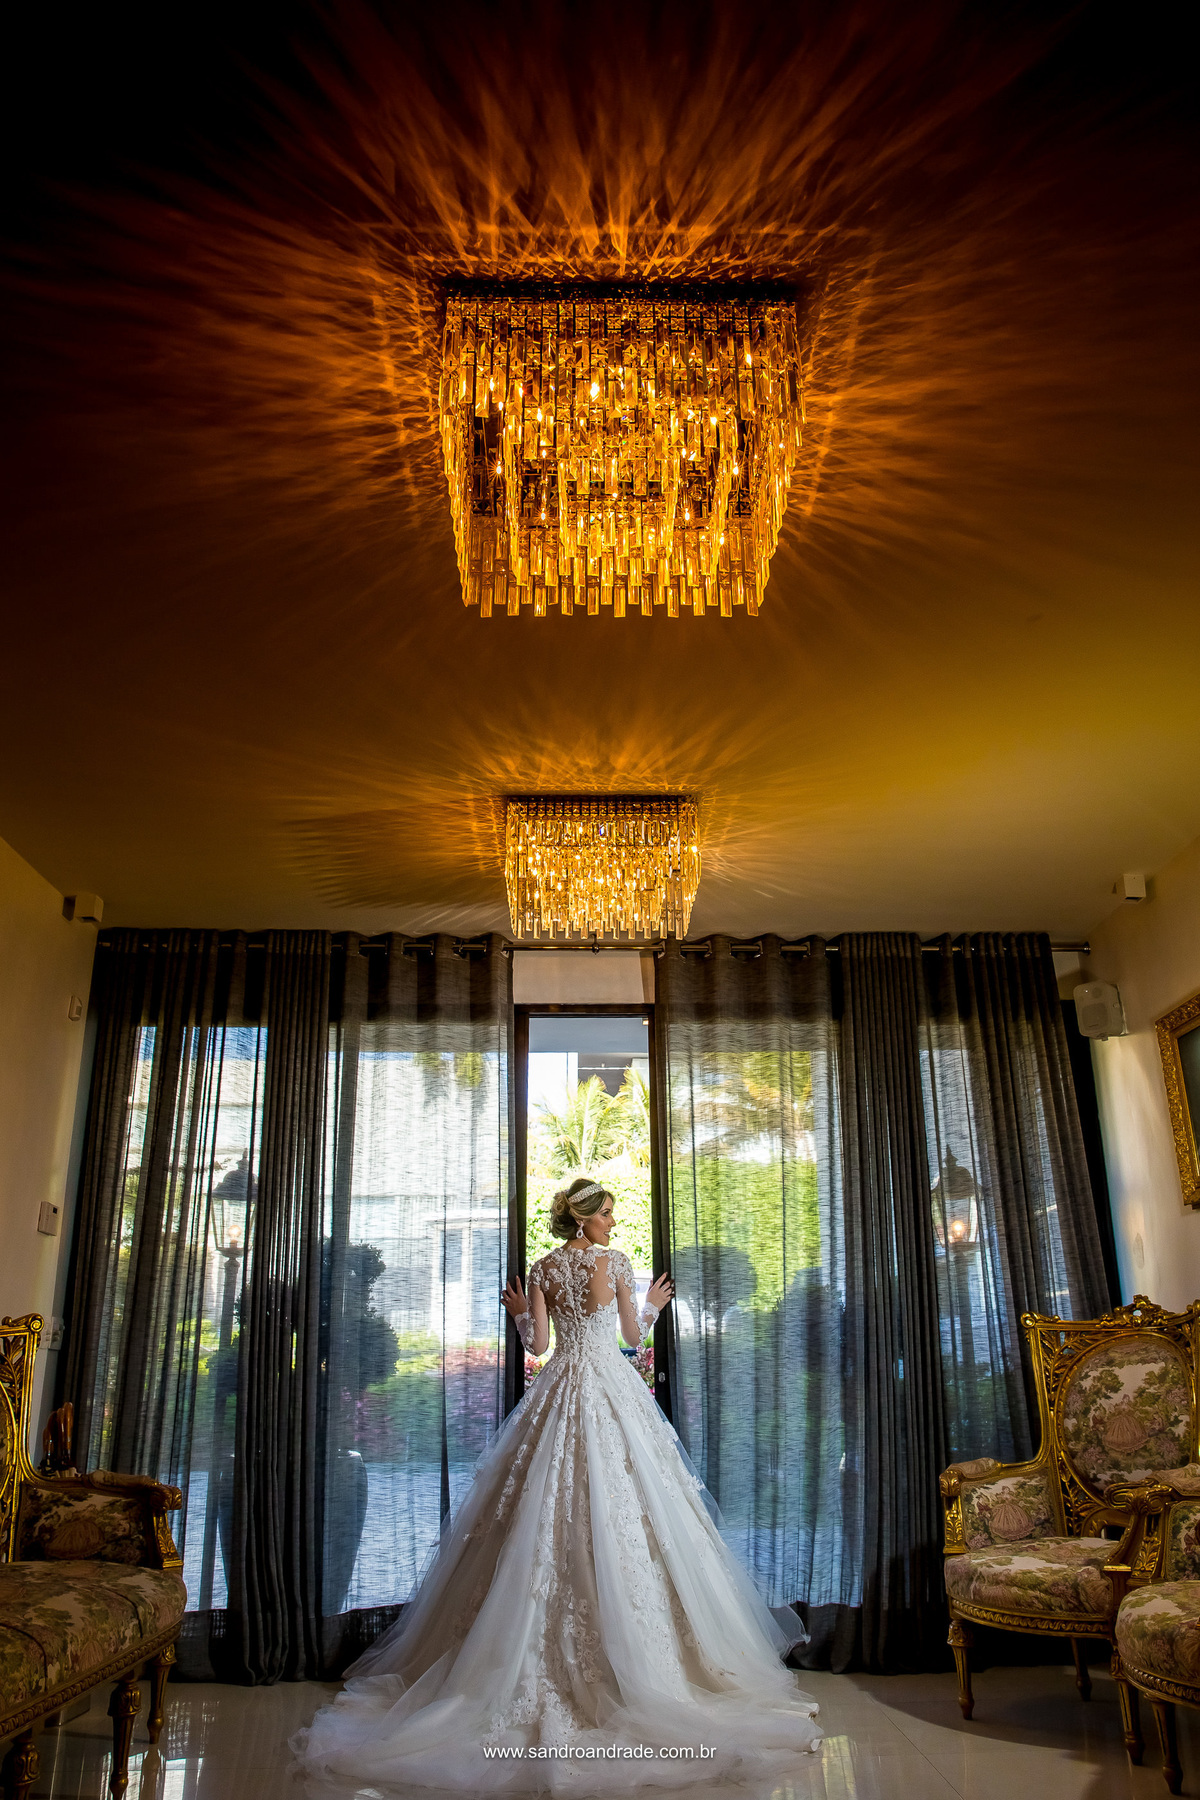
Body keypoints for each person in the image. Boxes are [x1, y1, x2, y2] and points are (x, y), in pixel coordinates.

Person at [294, 1177, 822, 1793]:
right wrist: (652, 1304)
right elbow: (631, 1338)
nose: (614, 1221)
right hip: (610, 1390)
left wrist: (521, 1315)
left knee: (541, 1506)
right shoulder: (614, 1264)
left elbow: (540, 1348)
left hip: (562, 1389)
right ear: (586, 1218)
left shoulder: (544, 1268)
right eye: (607, 1213)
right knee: (630, 1503)